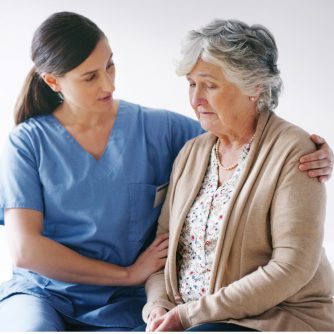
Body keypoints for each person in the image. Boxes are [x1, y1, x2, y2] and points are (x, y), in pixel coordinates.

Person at [0, 12, 331, 332]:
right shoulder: (28, 143)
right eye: (90, 76)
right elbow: (26, 250)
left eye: (110, 65)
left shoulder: (161, 131)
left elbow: (250, 135)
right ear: (53, 81)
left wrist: (315, 149)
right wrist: (131, 276)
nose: (109, 83)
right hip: (46, 293)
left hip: (130, 304)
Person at [142, 19, 334, 332]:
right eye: (191, 84)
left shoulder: (295, 151)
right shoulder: (191, 153)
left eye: (210, 85)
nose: (196, 99)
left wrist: (190, 316)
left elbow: (292, 266)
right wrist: (158, 305)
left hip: (273, 319)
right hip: (190, 319)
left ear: (255, 86)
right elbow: (162, 253)